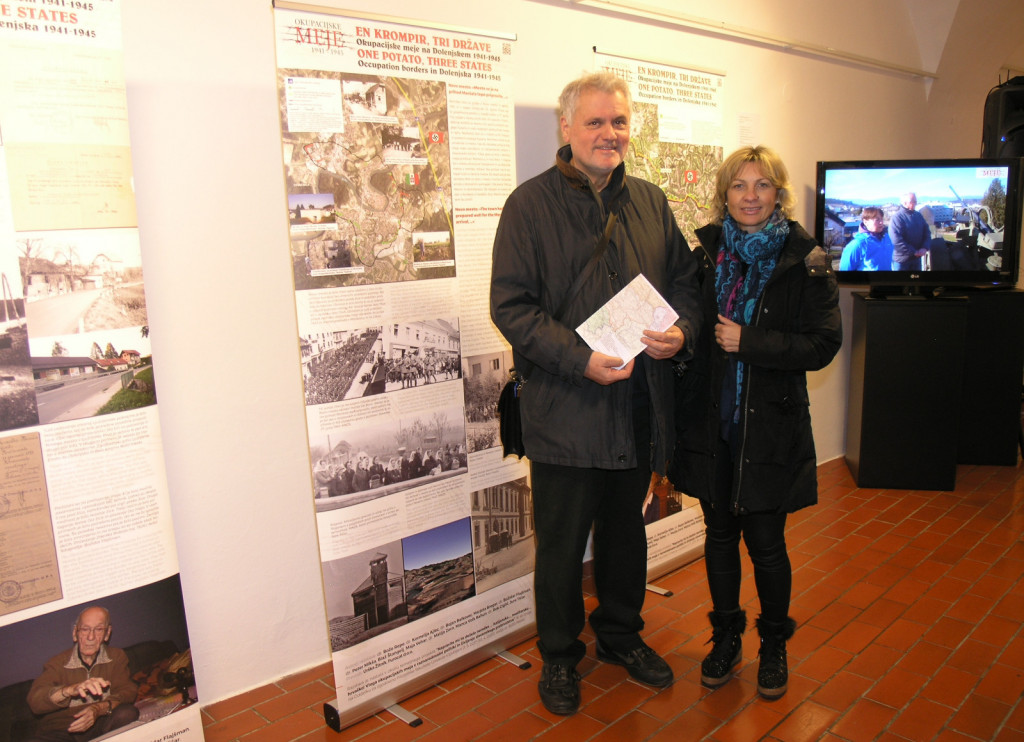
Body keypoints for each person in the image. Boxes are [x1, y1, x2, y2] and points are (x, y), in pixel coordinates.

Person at [490, 71, 701, 715]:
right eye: (595, 122)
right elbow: (512, 307)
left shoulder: (652, 202)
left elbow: (686, 282)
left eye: (619, 122)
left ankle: (620, 636)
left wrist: (682, 332)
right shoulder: (528, 206)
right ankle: (559, 655)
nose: (610, 134)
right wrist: (580, 360)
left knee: (624, 534)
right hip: (566, 408)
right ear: (567, 127)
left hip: (636, 407)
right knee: (560, 545)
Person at [669, 146, 841, 700]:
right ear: (725, 194)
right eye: (739, 185)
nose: (750, 196)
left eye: (762, 185)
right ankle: (726, 638)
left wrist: (751, 342)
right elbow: (688, 323)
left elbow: (823, 343)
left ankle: (773, 645)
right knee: (719, 537)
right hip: (711, 424)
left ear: (778, 193)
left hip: (769, 427)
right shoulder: (704, 255)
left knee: (766, 544)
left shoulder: (804, 259)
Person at [26, 606, 140, 741]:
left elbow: (127, 692)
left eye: (99, 629)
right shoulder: (57, 663)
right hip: (63, 731)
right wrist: (70, 690)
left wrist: (97, 709)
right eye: (85, 629)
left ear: (107, 633)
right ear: (75, 633)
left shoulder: (116, 656)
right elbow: (36, 702)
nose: (91, 637)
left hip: (100, 725)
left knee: (127, 713)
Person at [839, 207, 893, 271]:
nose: (881, 222)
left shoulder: (887, 238)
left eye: (881, 219)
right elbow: (845, 269)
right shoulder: (858, 244)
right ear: (866, 222)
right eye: (877, 220)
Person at [888, 191, 931, 270]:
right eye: (913, 201)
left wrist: (924, 247)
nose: (916, 203)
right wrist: (913, 252)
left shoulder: (918, 215)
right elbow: (896, 240)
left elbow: (927, 233)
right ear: (905, 203)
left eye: (916, 201)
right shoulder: (897, 218)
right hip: (902, 261)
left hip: (916, 260)